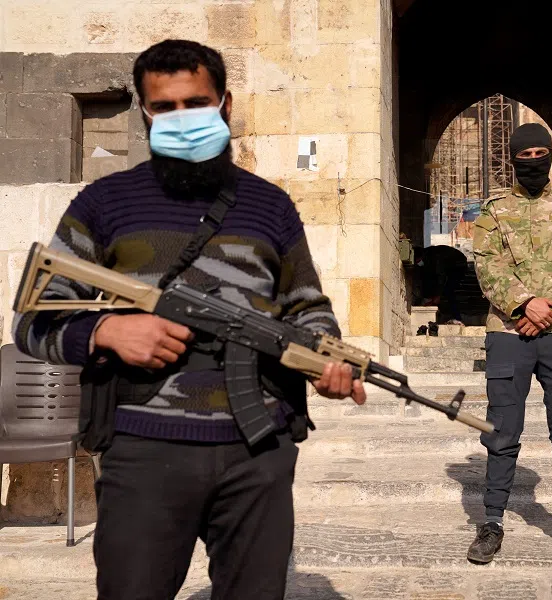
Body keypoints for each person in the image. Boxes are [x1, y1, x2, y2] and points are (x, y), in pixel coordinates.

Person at [13, 39, 365, 599]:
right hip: (143, 450)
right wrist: (105, 331)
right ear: (145, 112)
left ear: (225, 105)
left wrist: (329, 358)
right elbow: (31, 324)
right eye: (166, 108)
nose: (183, 119)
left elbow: (306, 305)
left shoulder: (270, 205)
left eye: (197, 104)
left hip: (258, 451)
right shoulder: (104, 203)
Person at [467, 122, 552, 564]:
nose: (532, 163)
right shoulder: (492, 211)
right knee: (502, 431)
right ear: (513, 159)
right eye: (524, 157)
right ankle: (492, 522)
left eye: (539, 155)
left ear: (550, 156)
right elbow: (486, 265)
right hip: (508, 334)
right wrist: (524, 304)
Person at [414, 243, 468, 325]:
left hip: (458, 265)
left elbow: (441, 276)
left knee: (449, 290)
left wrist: (438, 295)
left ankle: (457, 317)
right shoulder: (427, 258)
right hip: (450, 266)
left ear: (422, 256)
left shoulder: (434, 257)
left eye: (418, 261)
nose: (419, 263)